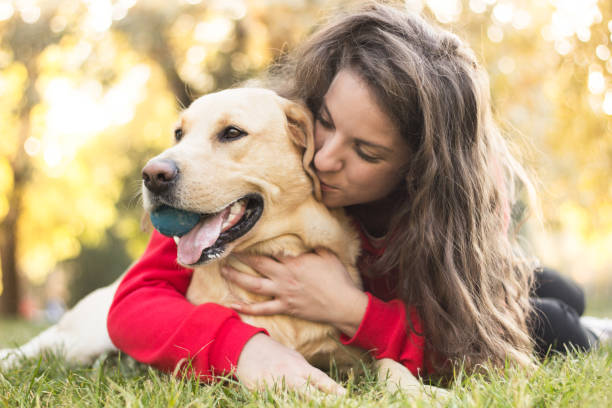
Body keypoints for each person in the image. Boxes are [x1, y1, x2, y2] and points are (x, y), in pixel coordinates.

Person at [107, 2, 602, 394]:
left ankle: (585, 319)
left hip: (449, 278)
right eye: (325, 121)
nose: (322, 159)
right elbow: (135, 303)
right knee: (552, 289)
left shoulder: (454, 203)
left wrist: (350, 308)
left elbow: (466, 343)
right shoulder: (256, 160)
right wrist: (248, 350)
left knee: (555, 319)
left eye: (365, 151)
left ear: (416, 168)